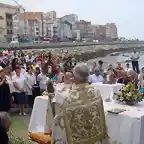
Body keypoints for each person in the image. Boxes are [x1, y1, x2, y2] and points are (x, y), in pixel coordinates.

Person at [51, 64, 111, 144]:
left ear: (75, 78)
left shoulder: (69, 97)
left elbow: (61, 122)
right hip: (95, 137)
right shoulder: (96, 91)